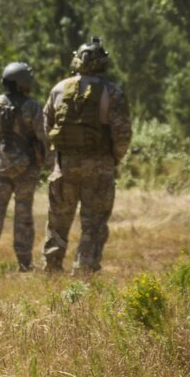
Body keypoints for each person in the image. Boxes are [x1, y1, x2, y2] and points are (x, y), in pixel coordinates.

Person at [41, 39, 133, 273]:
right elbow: (122, 133)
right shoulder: (112, 92)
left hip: (64, 166)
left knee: (57, 222)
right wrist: (114, 159)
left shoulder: (59, 89)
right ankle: (84, 269)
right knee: (94, 224)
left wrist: (58, 157)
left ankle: (52, 267)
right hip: (99, 168)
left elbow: (47, 126)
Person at [0, 62, 49, 269]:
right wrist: (47, 164)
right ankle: (24, 263)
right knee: (23, 215)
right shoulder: (33, 107)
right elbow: (43, 138)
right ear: (23, 81)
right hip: (26, 169)